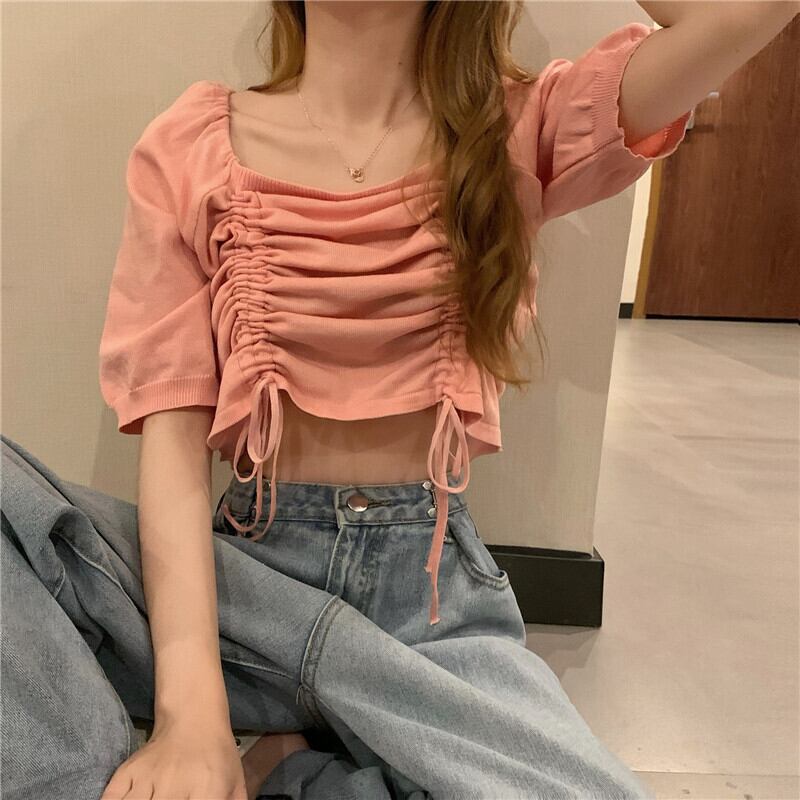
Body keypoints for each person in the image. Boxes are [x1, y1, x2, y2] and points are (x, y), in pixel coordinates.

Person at [3, 2, 796, 799]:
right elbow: (173, 442)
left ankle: (310, 755)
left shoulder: (516, 129)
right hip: (243, 595)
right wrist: (191, 716)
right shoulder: (190, 146)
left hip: (428, 621)